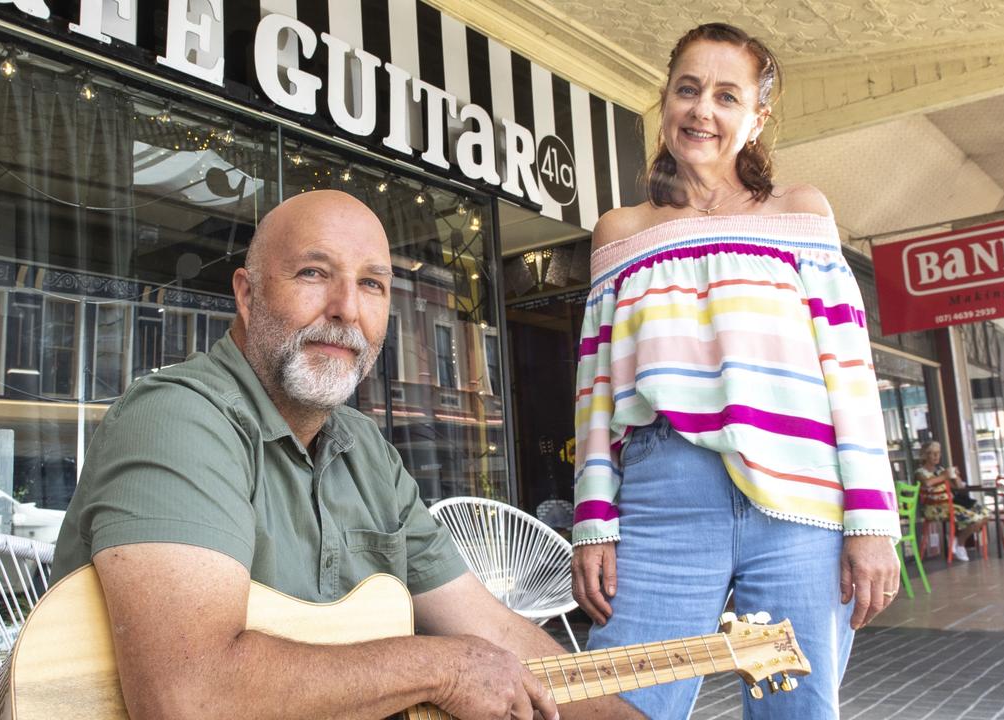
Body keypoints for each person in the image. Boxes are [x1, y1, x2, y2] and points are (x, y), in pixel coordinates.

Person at [51, 190, 641, 720]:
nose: (346, 309)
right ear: (248, 295)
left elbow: (490, 630)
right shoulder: (179, 419)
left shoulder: (366, 451)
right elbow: (189, 696)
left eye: (372, 284)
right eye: (314, 272)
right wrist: (439, 667)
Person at [569, 23, 902, 719]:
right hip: (666, 500)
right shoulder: (620, 232)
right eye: (688, 90)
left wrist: (873, 521)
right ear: (665, 101)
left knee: (791, 708)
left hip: (800, 510)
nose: (702, 111)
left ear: (757, 118)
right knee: (620, 703)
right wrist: (594, 523)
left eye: (727, 96)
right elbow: (595, 395)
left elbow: (849, 373)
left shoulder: (801, 215)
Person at [915, 441, 989, 561]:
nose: (936, 456)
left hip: (951, 504)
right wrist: (945, 476)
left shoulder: (940, 470)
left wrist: (955, 476)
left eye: (938, 453)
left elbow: (959, 487)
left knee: (985, 513)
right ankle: (960, 545)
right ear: (925, 455)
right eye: (933, 453)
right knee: (975, 518)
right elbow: (927, 483)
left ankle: (957, 540)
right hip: (934, 508)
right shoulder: (920, 472)